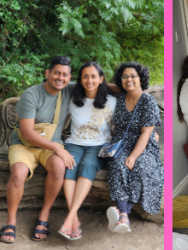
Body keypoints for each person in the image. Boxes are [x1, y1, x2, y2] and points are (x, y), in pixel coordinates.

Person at [2, 56, 75, 243]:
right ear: (47, 73)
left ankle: (44, 215)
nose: (60, 78)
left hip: (50, 146)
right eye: (56, 73)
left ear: (69, 77)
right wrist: (59, 149)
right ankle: (11, 221)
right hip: (24, 145)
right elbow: (27, 133)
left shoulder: (69, 90)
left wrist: (131, 87)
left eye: (65, 75)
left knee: (59, 167)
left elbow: (99, 84)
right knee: (18, 173)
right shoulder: (31, 95)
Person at [59, 60, 117, 240]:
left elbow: (132, 92)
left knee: (87, 165)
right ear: (80, 80)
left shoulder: (112, 102)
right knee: (70, 165)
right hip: (74, 143)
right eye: (85, 76)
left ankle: (70, 218)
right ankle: (74, 220)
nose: (89, 80)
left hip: (99, 145)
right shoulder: (72, 99)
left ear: (101, 79)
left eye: (93, 76)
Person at [106, 61, 163, 236]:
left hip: (143, 145)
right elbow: (102, 84)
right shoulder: (120, 97)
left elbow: (146, 134)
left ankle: (122, 213)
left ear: (141, 78)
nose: (129, 79)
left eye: (133, 76)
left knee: (141, 167)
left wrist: (133, 156)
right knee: (118, 166)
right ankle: (123, 215)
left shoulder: (148, 101)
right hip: (121, 142)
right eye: (125, 76)